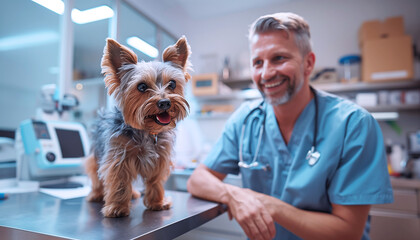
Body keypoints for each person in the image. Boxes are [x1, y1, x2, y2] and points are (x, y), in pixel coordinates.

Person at [187, 12, 393, 240]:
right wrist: (234, 195)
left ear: (308, 63)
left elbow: (348, 231)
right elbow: (198, 179)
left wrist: (269, 205)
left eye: (279, 58)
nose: (266, 73)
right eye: (258, 62)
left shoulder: (353, 125)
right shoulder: (245, 120)